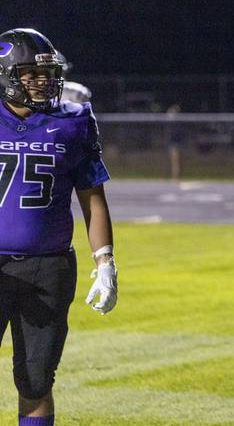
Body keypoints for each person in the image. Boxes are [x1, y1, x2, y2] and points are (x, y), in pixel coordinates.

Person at [0, 28, 118, 426]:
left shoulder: (73, 120)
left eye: (47, 73)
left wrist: (105, 262)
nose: (43, 82)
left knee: (35, 381)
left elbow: (92, 197)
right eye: (31, 73)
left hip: (47, 266)